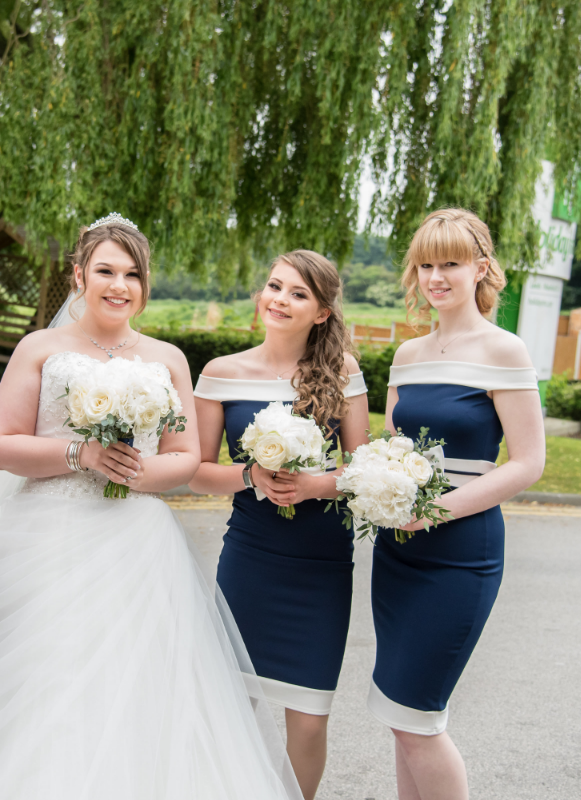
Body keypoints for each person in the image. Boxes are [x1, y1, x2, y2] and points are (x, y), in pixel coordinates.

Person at [0, 214, 302, 800]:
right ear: (79, 274)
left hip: (137, 544)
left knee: (139, 687)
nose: (119, 285)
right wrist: (81, 453)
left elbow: (185, 456)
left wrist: (136, 470)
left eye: (132, 274)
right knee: (44, 679)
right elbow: (3, 446)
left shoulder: (167, 358)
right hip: (45, 537)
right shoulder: (41, 348)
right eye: (105, 270)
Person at [370, 208, 545, 799]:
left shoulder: (505, 351)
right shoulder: (408, 356)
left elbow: (527, 462)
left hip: (460, 552)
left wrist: (436, 511)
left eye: (450, 262)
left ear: (481, 268)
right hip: (397, 549)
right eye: (425, 264)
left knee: (420, 718)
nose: (436, 276)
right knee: (400, 716)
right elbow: (393, 448)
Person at [188, 250, 369, 800]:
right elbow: (196, 472)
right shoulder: (222, 373)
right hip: (251, 557)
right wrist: (250, 475)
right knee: (233, 706)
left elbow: (363, 469)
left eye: (297, 293)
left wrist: (315, 484)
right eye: (274, 286)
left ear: (320, 312)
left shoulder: (343, 374)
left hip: (321, 564)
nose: (279, 299)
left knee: (310, 718)